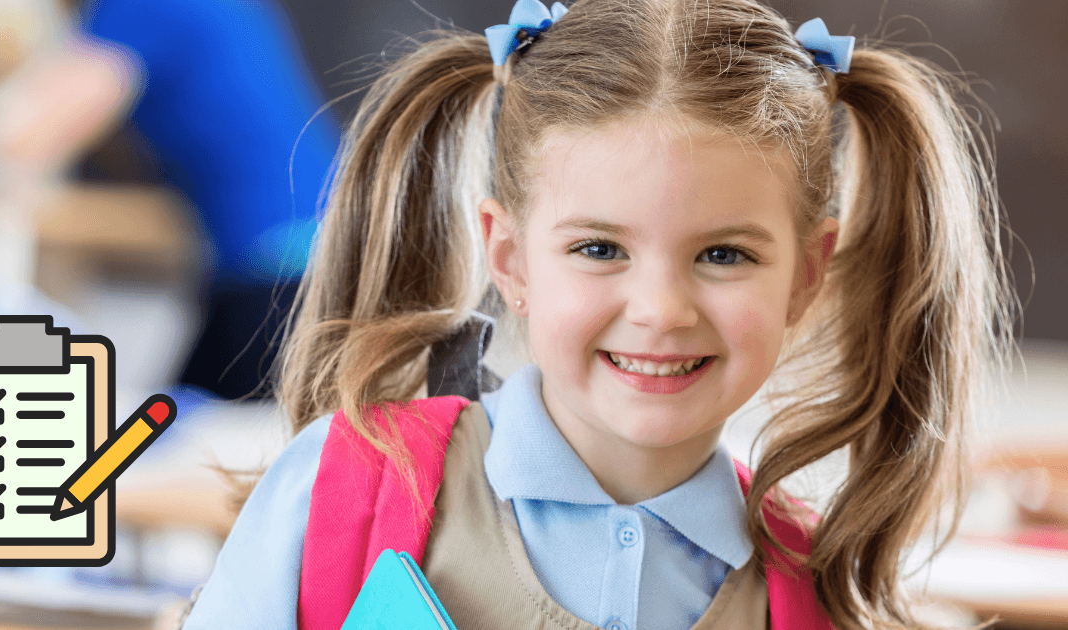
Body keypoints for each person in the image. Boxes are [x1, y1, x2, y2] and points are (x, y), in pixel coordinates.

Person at [181, 0, 1019, 628]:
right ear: (508, 259)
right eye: (599, 250)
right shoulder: (349, 485)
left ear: (806, 275)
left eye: (724, 255)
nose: (659, 310)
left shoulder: (810, 593)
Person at [73, 0, 342, 400]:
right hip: (307, 248)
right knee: (179, 425)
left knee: (187, 433)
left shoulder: (141, 8)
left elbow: (31, 133)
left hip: (283, 265)